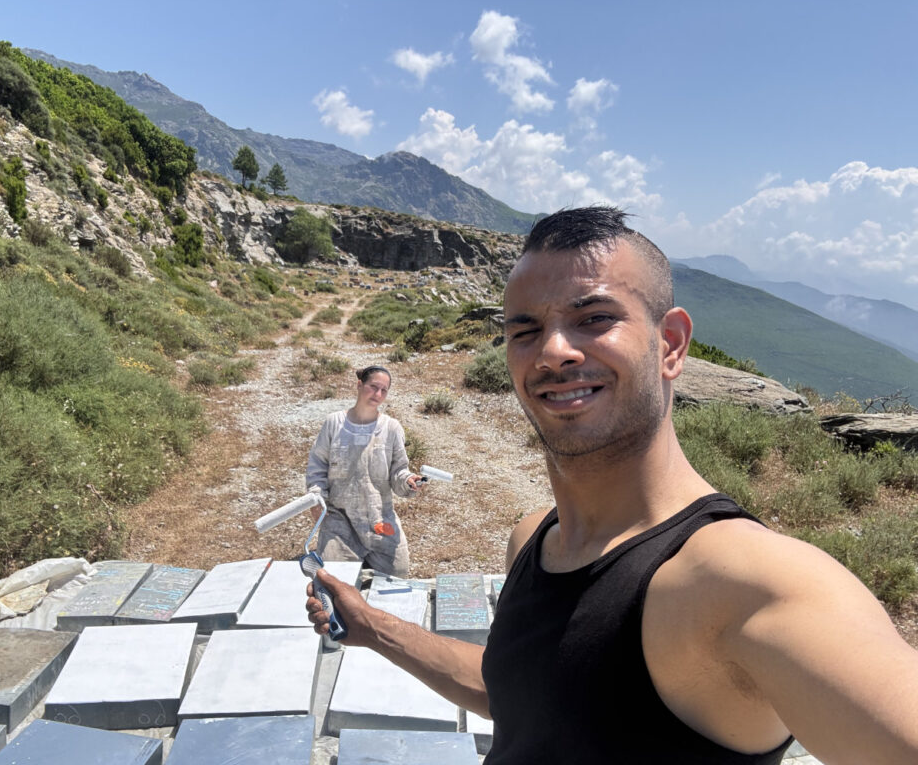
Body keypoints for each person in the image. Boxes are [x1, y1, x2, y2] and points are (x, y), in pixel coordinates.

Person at [306, 207, 918, 763]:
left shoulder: (747, 583)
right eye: (525, 330)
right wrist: (373, 628)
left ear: (670, 344)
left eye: (594, 318)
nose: (553, 351)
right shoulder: (532, 541)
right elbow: (527, 696)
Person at [305, 365, 422, 578]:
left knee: (398, 577)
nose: (377, 394)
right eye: (373, 387)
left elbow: (399, 471)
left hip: (379, 519)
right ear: (360, 385)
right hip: (340, 520)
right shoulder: (334, 423)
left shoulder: (392, 428)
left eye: (383, 390)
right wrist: (316, 498)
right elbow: (317, 465)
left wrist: (408, 481)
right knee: (335, 584)